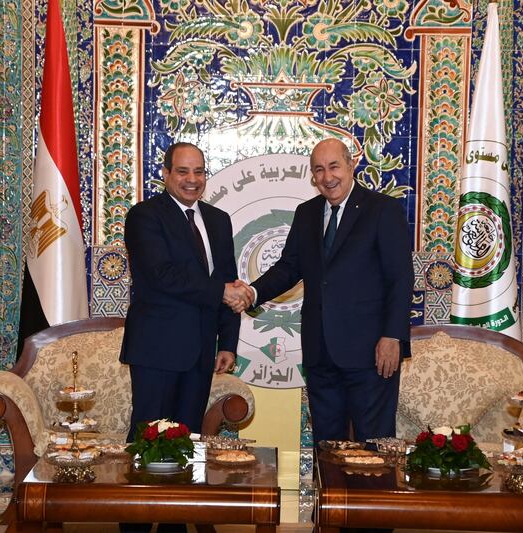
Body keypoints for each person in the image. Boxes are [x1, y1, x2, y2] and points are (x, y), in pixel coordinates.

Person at [245, 138, 413, 443]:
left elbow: (400, 278)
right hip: (320, 352)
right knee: (327, 446)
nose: (327, 177)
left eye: (334, 166)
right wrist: (252, 293)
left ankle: (369, 493)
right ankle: (331, 494)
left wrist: (392, 336)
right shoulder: (306, 213)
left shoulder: (382, 210)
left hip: (370, 353)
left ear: (351, 165)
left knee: (373, 448)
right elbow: (288, 268)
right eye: (319, 170)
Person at [120, 143, 250, 533]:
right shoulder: (145, 216)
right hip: (157, 348)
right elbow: (163, 276)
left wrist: (227, 342)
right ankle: (136, 525)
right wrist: (222, 293)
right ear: (166, 174)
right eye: (183, 172)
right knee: (147, 442)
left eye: (199, 172)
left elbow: (226, 277)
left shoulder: (219, 219)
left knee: (188, 443)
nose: (192, 180)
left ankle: (176, 523)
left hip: (199, 351)